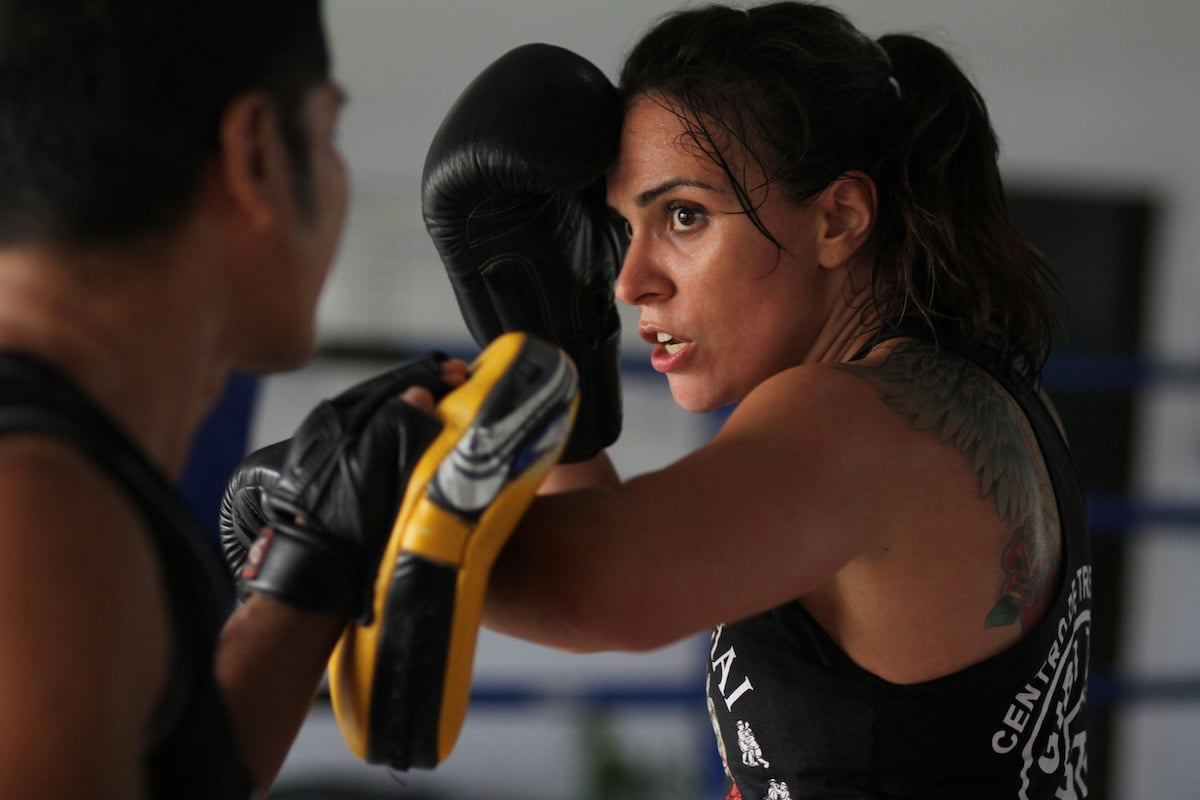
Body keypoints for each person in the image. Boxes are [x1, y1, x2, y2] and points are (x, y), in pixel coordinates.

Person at [420, 3, 1092, 798]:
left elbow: (595, 589)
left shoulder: (857, 418)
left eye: (684, 216)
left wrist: (365, 522)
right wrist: (555, 358)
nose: (630, 281)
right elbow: (605, 571)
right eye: (624, 227)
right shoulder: (977, 394)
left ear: (838, 219)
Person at [0, 1, 468, 797]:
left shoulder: (60, 485)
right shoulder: (40, 516)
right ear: (256, 155)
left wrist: (309, 572)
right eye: (327, 134)